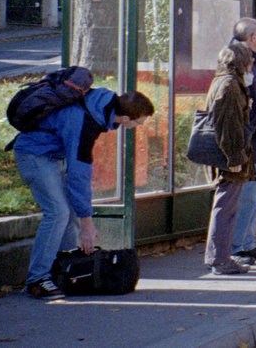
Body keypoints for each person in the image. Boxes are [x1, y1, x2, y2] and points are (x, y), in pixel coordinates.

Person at [12, 86, 153, 298]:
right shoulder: (86, 121)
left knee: (69, 212)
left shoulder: (99, 106)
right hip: (35, 155)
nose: (137, 126)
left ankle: (64, 271)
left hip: (52, 155)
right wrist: (87, 224)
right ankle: (37, 280)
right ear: (124, 118)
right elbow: (79, 174)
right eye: (137, 122)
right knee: (58, 212)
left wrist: (83, 217)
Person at [203, 42, 255, 276]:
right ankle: (220, 259)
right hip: (229, 156)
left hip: (226, 154)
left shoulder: (224, 81)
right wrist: (234, 157)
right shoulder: (230, 85)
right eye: (250, 60)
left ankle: (220, 257)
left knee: (226, 206)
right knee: (226, 207)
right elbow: (228, 124)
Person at [228, 17, 256, 265]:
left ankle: (247, 242)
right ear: (253, 37)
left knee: (253, 196)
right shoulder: (240, 60)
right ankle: (238, 246)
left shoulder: (252, 62)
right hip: (248, 141)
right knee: (246, 196)